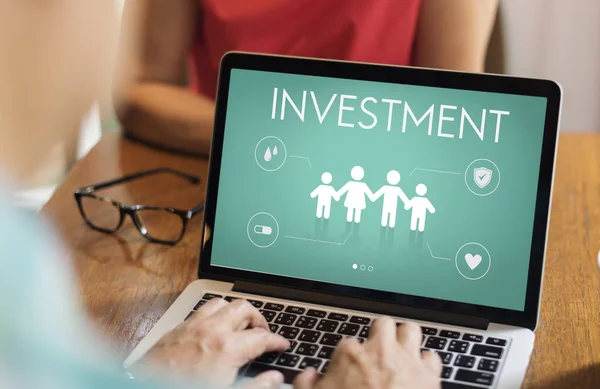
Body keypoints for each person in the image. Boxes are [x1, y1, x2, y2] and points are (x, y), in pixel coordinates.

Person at [1, 2, 444, 389]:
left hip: (395, 264)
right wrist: (275, 142)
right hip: (251, 208)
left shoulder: (23, 261)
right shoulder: (23, 271)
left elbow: (454, 97)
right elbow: (140, 88)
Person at [115, 0, 499, 156]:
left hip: (382, 172)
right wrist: (273, 141)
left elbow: (452, 118)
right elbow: (140, 90)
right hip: (222, 178)